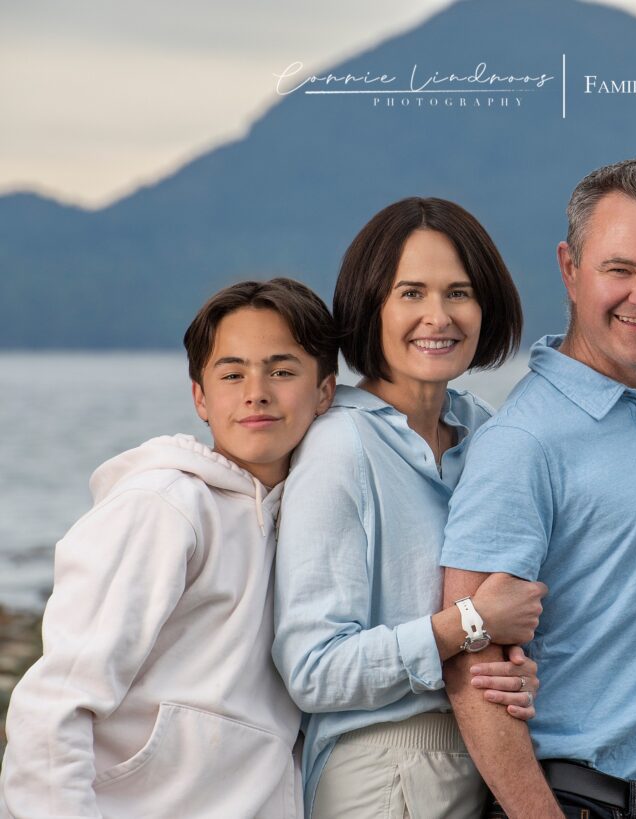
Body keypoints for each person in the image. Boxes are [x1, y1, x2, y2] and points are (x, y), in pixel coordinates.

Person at [439, 160, 636, 819]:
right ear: (570, 268)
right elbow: (470, 668)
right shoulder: (523, 441)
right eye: (619, 269)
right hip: (585, 801)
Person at [0, 278, 338, 817]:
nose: (257, 391)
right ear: (200, 397)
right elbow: (56, 703)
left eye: (281, 370)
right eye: (232, 374)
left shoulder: (311, 517)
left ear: (325, 391)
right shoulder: (162, 507)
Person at [272, 197, 547, 819]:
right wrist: (468, 624)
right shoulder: (342, 444)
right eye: (411, 293)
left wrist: (514, 674)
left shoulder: (483, 432)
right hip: (383, 769)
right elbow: (313, 669)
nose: (438, 316)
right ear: (372, 306)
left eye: (459, 292)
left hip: (478, 757)